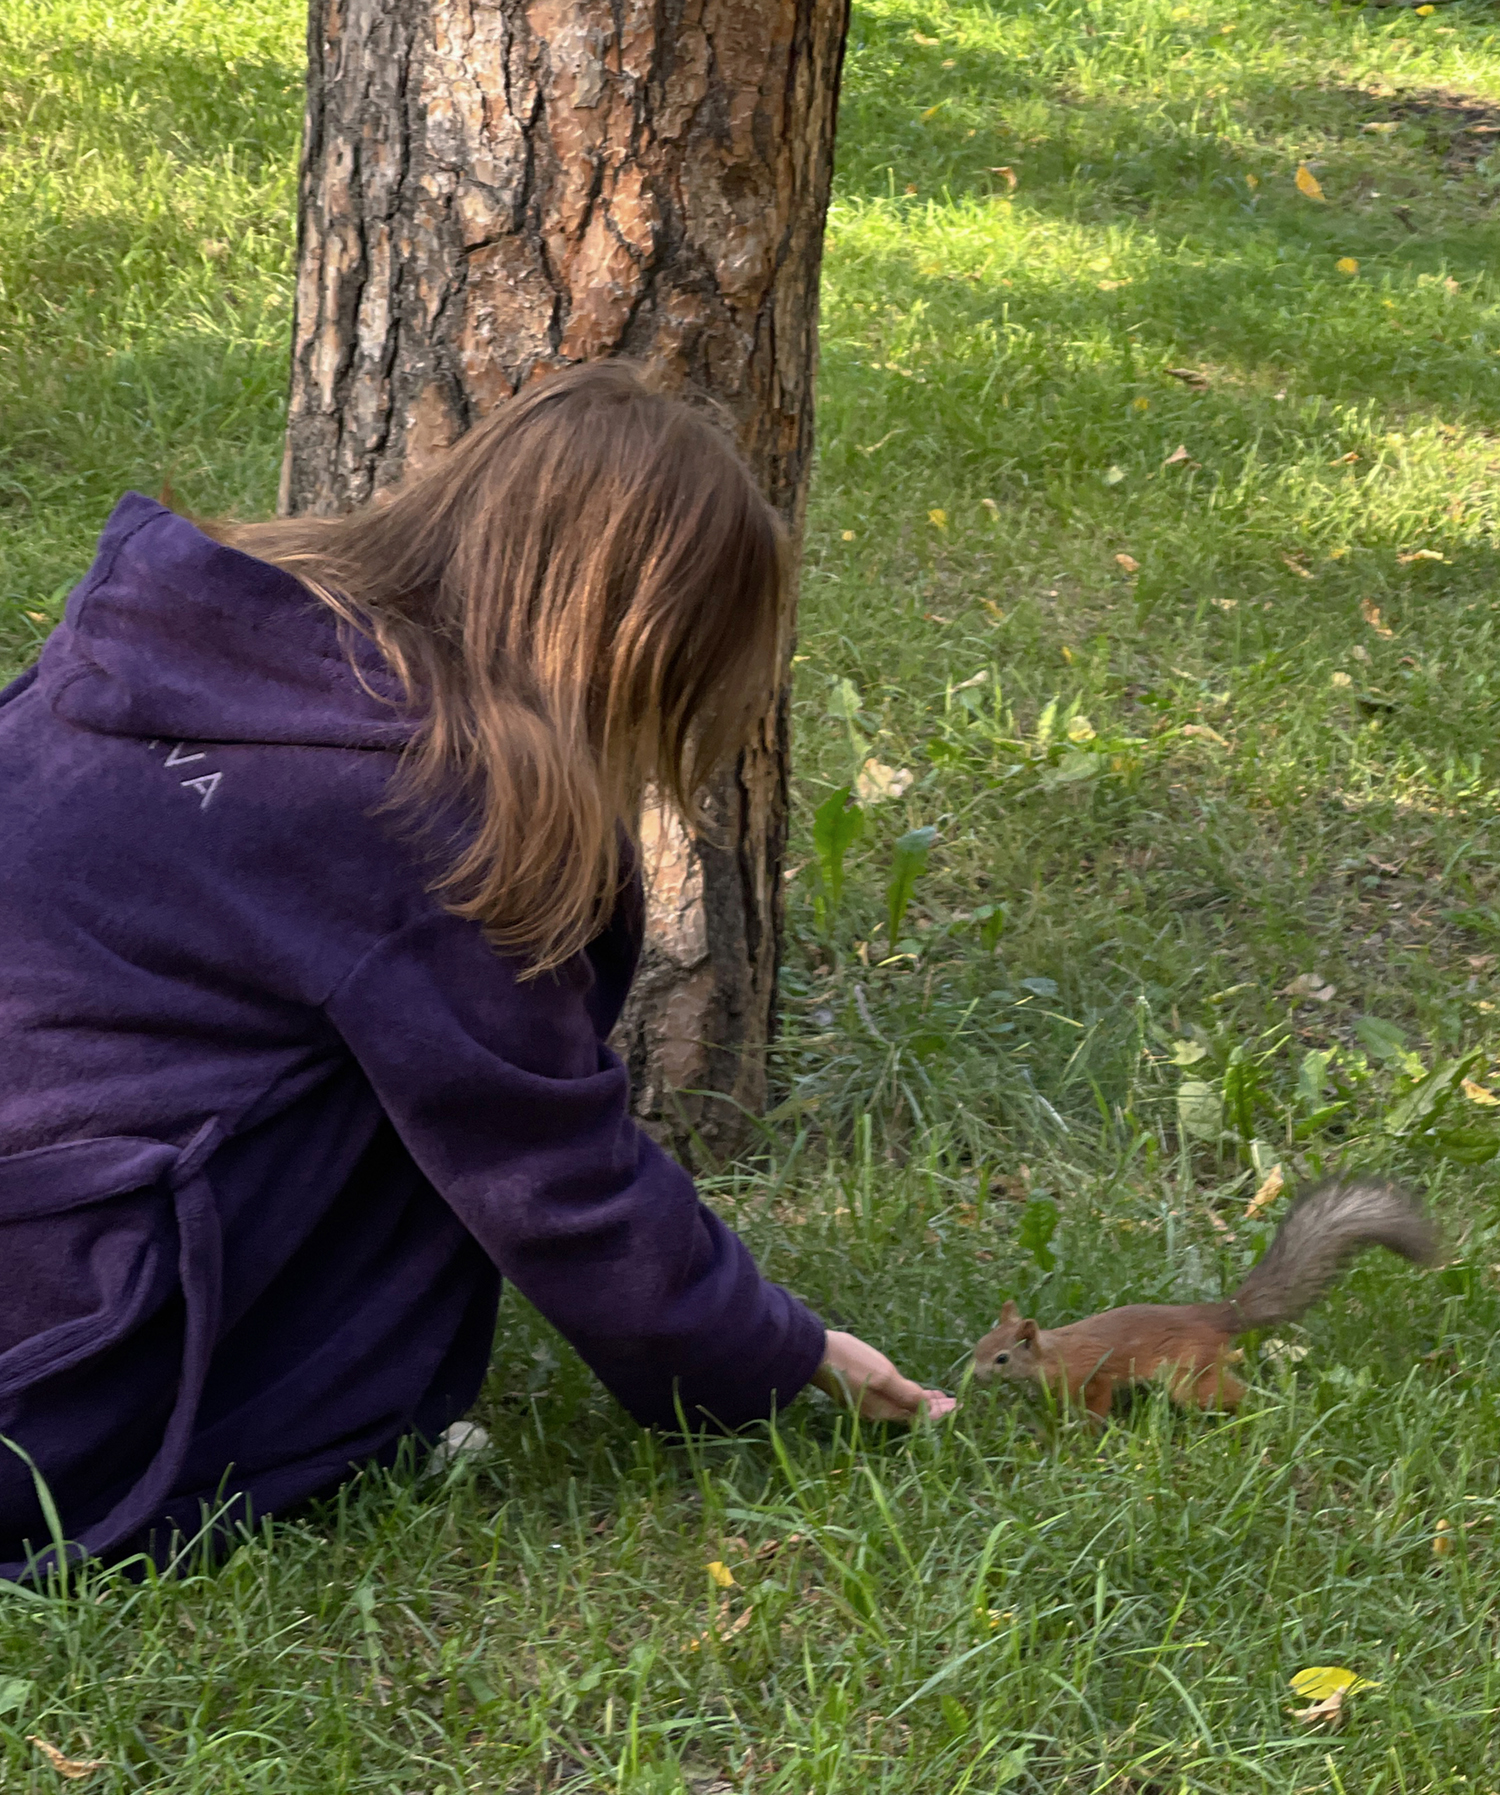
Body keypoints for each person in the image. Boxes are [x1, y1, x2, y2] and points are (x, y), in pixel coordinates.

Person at [0, 361, 953, 1580]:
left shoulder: (182, 642)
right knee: (431, 1083)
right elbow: (551, 1166)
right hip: (53, 1388)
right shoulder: (419, 804)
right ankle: (320, 1423)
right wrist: (776, 1352)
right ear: (639, 647)